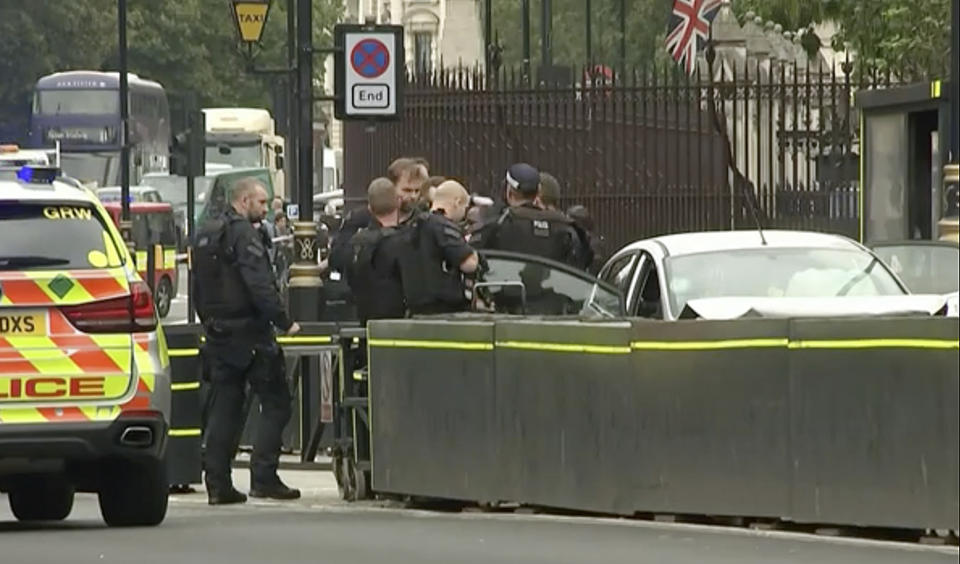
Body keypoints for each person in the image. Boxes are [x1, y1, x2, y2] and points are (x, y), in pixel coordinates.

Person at [192, 177, 302, 506]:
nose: (266, 209)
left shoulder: (207, 233)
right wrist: (283, 321)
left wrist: (209, 321)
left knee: (225, 407)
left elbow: (198, 285)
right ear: (243, 201)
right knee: (277, 401)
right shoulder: (243, 234)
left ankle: (218, 482)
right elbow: (258, 282)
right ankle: (264, 475)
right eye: (262, 203)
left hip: (218, 332)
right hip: (250, 333)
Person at [470, 163, 583, 268]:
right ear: (538, 191)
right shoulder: (565, 228)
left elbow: (473, 259)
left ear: (509, 193)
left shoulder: (497, 226)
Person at [402, 180, 479, 314]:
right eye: (465, 208)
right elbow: (469, 264)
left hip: (414, 310)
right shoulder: (443, 227)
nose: (464, 214)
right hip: (445, 311)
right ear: (457, 202)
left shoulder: (412, 225)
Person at [346, 177, 407, 323]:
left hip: (365, 317)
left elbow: (350, 279)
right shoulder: (405, 240)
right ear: (398, 202)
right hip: (398, 320)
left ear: (370, 208)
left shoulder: (357, 241)